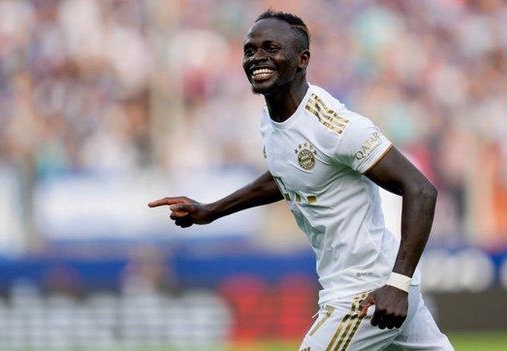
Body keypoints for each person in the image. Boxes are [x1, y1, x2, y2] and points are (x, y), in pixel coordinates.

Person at [149, 10, 453, 351]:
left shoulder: (335, 126)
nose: (257, 58)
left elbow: (421, 189)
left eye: (270, 48)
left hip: (367, 289)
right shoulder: (273, 118)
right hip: (375, 284)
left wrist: (397, 283)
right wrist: (212, 211)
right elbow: (286, 175)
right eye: (250, 50)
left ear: (301, 60)